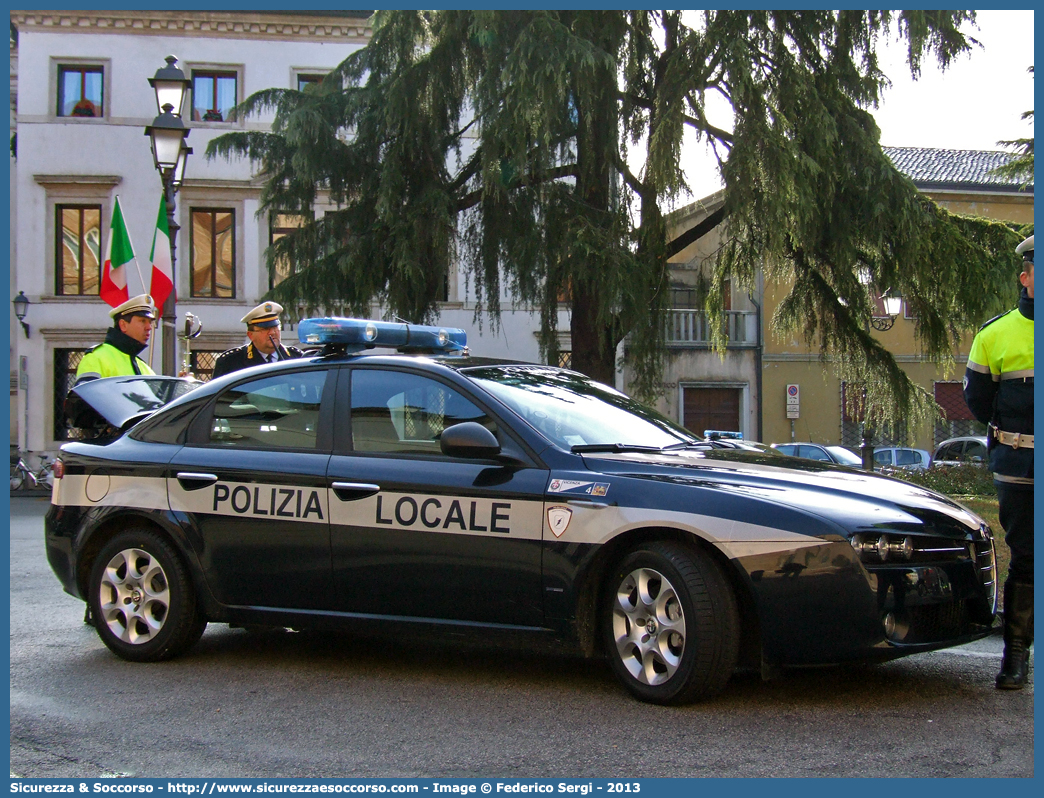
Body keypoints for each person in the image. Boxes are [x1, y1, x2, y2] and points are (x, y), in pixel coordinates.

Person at [964, 233, 1034, 690]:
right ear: (1027, 277)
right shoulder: (994, 334)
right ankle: (1015, 658)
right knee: (1027, 558)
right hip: (1022, 464)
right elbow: (979, 404)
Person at [75, 294, 157, 385]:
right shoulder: (96, 358)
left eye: (150, 322)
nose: (149, 327)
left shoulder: (146, 369)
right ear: (123, 325)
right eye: (143, 321)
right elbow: (85, 397)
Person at [211, 301, 305, 379]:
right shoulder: (231, 362)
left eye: (275, 327)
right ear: (250, 335)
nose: (272, 332)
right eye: (265, 329)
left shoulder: (296, 358)